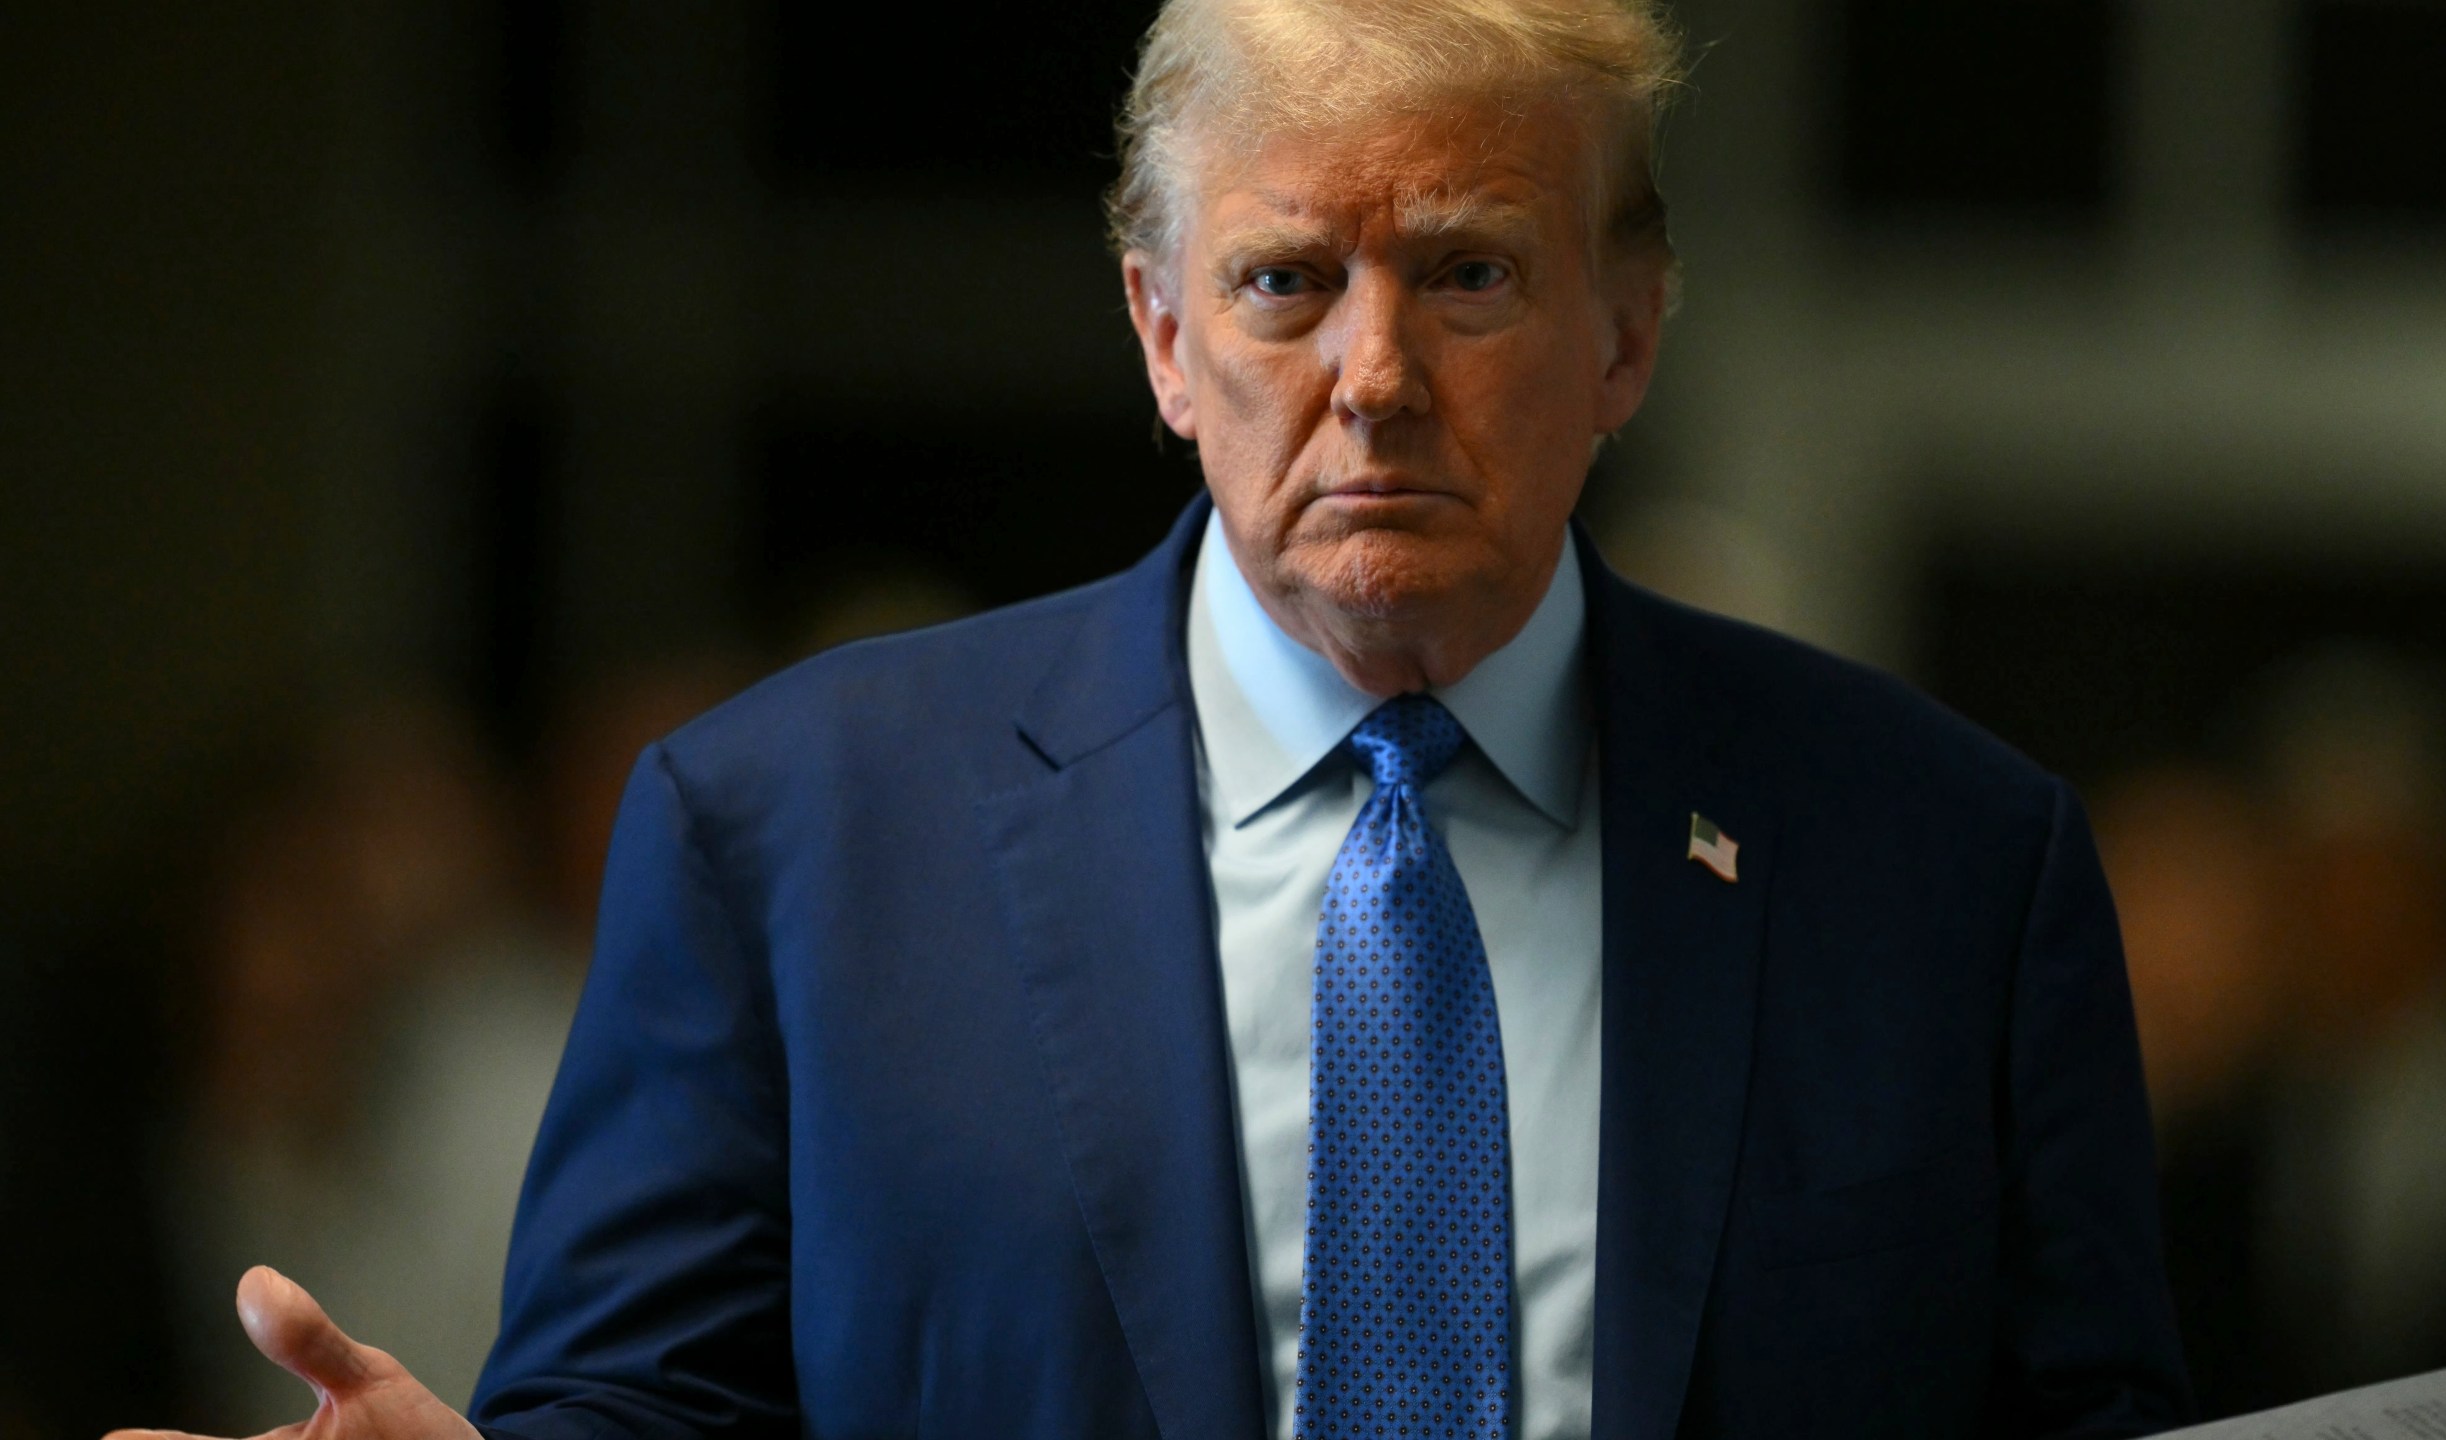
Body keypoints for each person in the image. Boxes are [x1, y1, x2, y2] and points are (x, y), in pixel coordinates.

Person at [110, 0, 2190, 1435]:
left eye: (1466, 274)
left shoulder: (1941, 867)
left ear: (1628, 326)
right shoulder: (792, 838)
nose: (1372, 372)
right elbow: (654, 1411)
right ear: (1159, 330)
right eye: (1287, 282)